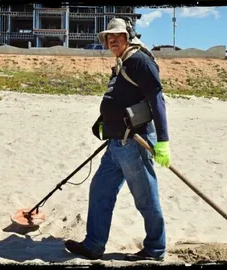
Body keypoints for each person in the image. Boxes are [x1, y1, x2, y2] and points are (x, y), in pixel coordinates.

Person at [64, 17, 171, 262]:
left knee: (145, 198)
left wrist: (163, 141)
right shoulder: (122, 63)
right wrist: (103, 120)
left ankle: (155, 249)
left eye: (117, 35)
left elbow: (157, 99)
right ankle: (94, 244)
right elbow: (118, 98)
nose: (112, 39)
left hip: (135, 141)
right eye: (108, 37)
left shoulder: (140, 61)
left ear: (128, 36)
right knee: (100, 189)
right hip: (116, 143)